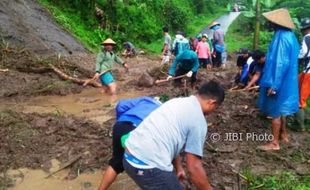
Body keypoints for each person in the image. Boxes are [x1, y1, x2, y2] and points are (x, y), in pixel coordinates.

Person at [123, 81, 225, 190]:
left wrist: (179, 167)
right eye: (216, 107)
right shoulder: (198, 121)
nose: (214, 111)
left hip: (128, 157)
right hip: (147, 165)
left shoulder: (177, 102)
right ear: (212, 102)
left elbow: (168, 136)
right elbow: (194, 168)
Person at [257, 9, 300, 151]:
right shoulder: (291, 36)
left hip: (278, 80)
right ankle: (283, 134)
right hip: (288, 79)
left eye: (271, 21)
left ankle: (274, 143)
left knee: (275, 110)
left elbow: (281, 63)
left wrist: (274, 85)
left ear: (276, 22)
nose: (269, 23)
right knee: (281, 108)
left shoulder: (281, 36)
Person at [98, 96, 162, 190]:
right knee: (145, 163)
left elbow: (120, 105)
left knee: (116, 162)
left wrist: (120, 120)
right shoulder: (163, 111)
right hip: (137, 129)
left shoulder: (146, 100)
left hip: (120, 125)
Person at [295, 17, 310, 131]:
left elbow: (303, 53)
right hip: (306, 73)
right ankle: (306, 118)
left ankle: (300, 126)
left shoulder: (306, 38)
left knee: (300, 99)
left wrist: (295, 58)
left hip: (308, 73)